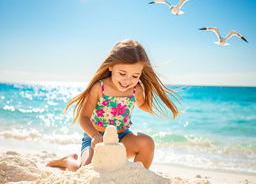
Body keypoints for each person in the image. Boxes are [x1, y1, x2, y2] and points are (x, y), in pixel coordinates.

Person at [47, 39, 179, 171]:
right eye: (122, 73)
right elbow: (84, 117)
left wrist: (149, 94)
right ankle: (69, 160)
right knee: (85, 170)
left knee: (147, 143)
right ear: (111, 66)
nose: (128, 80)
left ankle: (136, 176)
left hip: (121, 139)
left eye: (135, 75)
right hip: (96, 139)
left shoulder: (136, 90)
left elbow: (144, 106)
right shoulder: (99, 87)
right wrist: (94, 136)